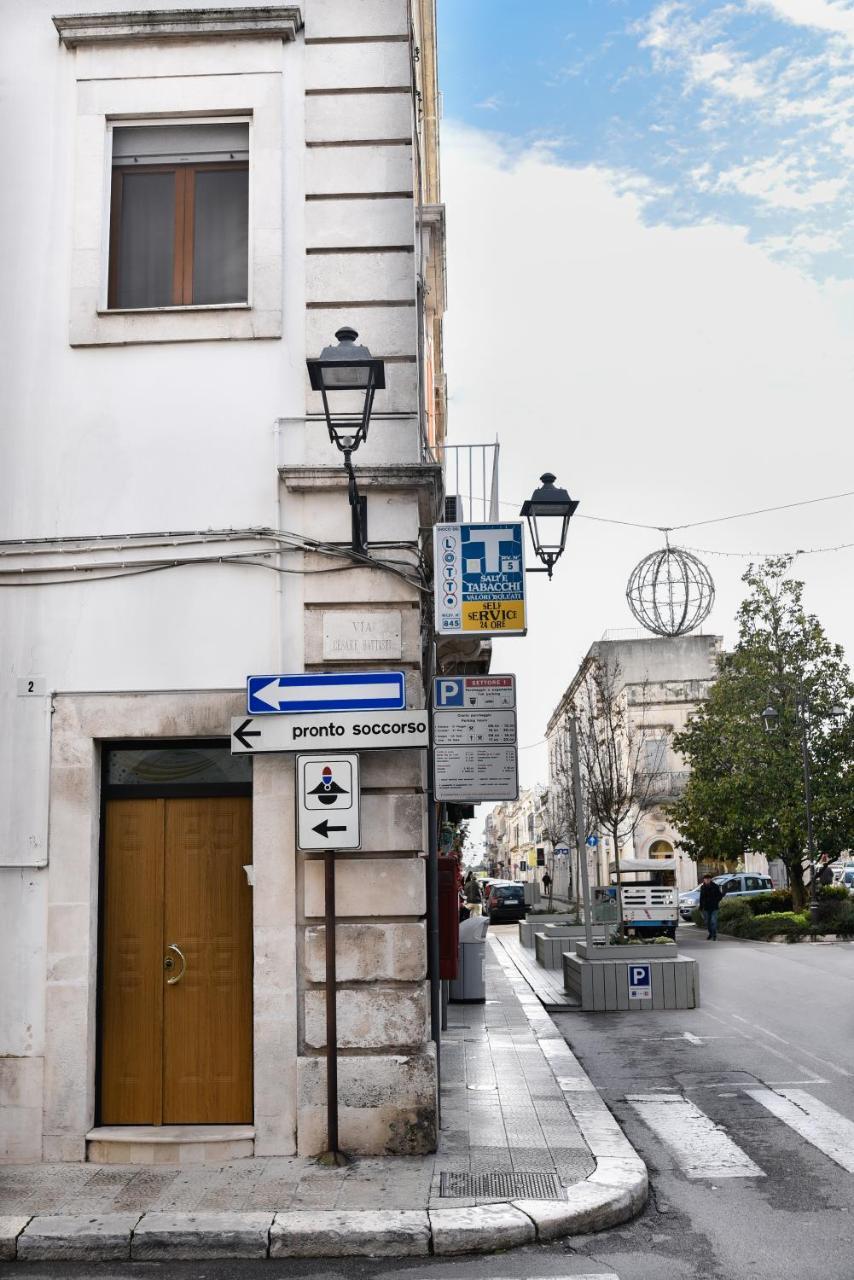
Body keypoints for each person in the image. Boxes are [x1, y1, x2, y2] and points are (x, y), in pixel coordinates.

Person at [698, 873, 723, 940]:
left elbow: (720, 896)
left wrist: (715, 901)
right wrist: (700, 907)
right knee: (707, 922)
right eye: (706, 879)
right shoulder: (702, 887)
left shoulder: (715, 886)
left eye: (708, 879)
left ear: (710, 879)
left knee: (713, 921)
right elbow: (701, 898)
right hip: (706, 907)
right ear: (704, 880)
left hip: (714, 907)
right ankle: (710, 933)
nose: (707, 880)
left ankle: (714, 935)